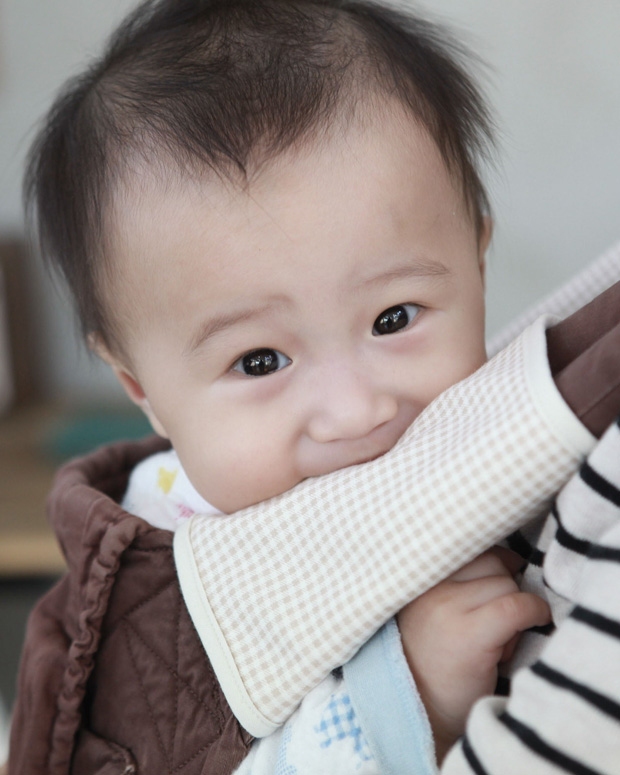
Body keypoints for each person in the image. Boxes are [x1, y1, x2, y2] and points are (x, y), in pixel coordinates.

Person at [9, 0, 620, 772]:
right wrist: (414, 700)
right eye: (260, 361)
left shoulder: (518, 451)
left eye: (395, 317)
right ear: (142, 388)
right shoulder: (159, 574)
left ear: (478, 263)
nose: (357, 410)